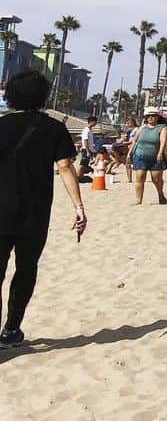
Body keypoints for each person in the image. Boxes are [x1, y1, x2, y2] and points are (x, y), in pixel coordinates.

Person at [0, 71, 86, 348]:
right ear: (42, 95)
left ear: (10, 94)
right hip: (34, 214)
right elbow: (64, 167)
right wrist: (79, 206)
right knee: (26, 269)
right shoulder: (54, 128)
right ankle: (11, 329)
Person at [127, 109, 167, 205]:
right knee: (140, 176)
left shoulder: (162, 127)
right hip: (140, 155)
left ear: (158, 117)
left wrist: (160, 153)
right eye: (148, 116)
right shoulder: (142, 128)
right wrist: (129, 153)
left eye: (153, 115)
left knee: (156, 179)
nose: (151, 117)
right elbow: (135, 141)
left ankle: (160, 194)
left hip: (155, 156)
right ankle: (139, 200)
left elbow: (163, 141)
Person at [78, 115, 99, 183]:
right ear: (91, 122)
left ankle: (82, 175)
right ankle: (79, 176)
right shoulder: (86, 130)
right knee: (83, 164)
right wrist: (87, 151)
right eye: (95, 122)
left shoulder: (90, 130)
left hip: (89, 149)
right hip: (86, 149)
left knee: (85, 164)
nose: (96, 123)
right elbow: (85, 140)